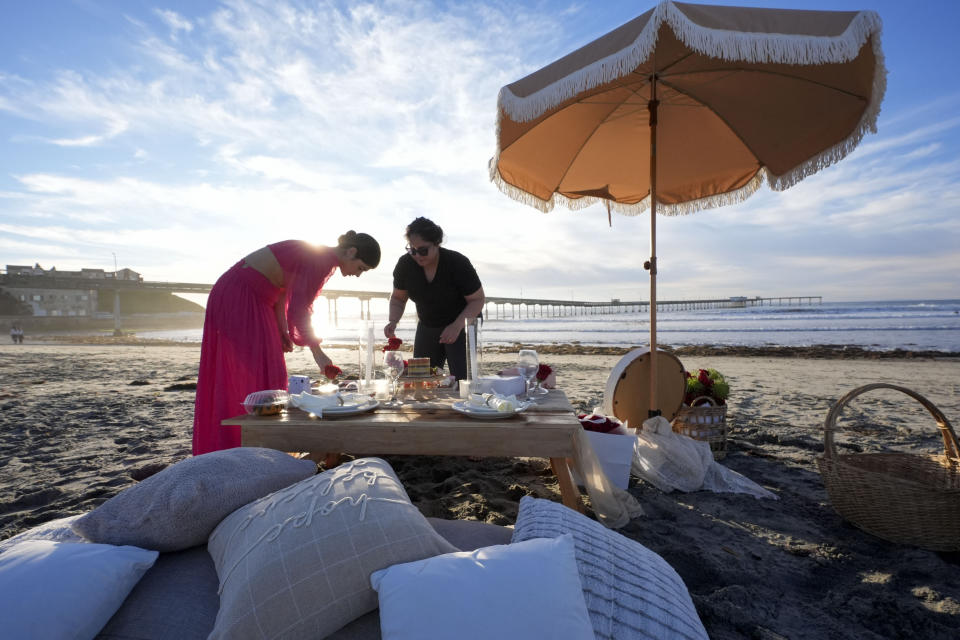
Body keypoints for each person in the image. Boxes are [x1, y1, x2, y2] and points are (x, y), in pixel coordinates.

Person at [192, 232, 381, 455]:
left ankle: (259, 446)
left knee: (271, 368)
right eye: (361, 268)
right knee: (253, 371)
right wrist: (318, 353)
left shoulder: (320, 256)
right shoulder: (321, 260)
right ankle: (241, 447)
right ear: (351, 252)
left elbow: (283, 290)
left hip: (258, 298)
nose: (358, 275)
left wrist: (281, 329)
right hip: (240, 295)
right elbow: (299, 309)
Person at [384, 217, 484, 380]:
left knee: (461, 380)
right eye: (412, 250)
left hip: (463, 323)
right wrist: (393, 321)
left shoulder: (457, 263)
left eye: (423, 250)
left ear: (437, 243)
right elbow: (398, 299)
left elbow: (477, 300)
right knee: (421, 378)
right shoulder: (405, 264)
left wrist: (456, 326)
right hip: (428, 324)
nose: (417, 255)